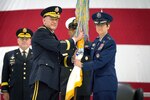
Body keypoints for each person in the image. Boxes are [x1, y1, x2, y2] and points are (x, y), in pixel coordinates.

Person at [29, 6, 84, 100]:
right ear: (44, 20)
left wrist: (72, 60)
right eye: (51, 19)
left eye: (56, 19)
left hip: (53, 82)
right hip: (43, 79)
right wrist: (75, 39)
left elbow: (58, 58)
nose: (54, 22)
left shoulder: (52, 36)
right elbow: (58, 46)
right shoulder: (40, 32)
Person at [74, 11, 118, 100]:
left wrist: (82, 65)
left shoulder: (110, 43)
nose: (99, 27)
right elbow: (88, 51)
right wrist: (79, 49)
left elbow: (100, 62)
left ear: (108, 26)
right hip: (97, 85)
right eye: (97, 25)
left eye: (102, 24)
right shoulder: (97, 41)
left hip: (106, 85)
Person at [60, 17, 92, 100]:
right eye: (73, 29)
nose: (75, 32)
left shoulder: (90, 47)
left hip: (84, 90)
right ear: (68, 31)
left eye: (78, 30)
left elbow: (93, 69)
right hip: (66, 89)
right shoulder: (63, 47)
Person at [1, 28, 33, 100]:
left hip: (31, 91)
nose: (24, 40)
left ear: (30, 41)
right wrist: (5, 91)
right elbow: (5, 75)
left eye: (26, 38)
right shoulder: (9, 55)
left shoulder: (36, 55)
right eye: (22, 38)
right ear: (18, 40)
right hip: (14, 92)